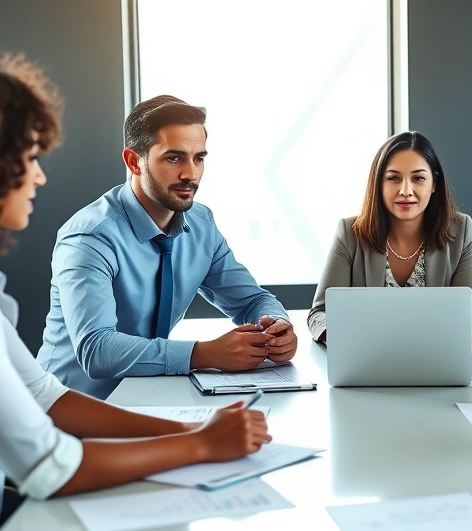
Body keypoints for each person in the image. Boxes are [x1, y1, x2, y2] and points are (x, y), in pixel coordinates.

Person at [0, 48, 271, 531]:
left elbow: (47, 398)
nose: (39, 176)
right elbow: (51, 467)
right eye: (26, 157)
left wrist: (195, 427)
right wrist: (201, 445)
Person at [38, 95, 296, 400]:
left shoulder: (200, 224)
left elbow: (250, 301)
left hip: (148, 398)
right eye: (174, 158)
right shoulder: (90, 237)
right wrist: (205, 353)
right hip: (67, 412)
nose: (191, 174)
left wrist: (278, 326)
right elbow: (97, 350)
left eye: (198, 158)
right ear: (134, 161)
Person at [307, 131, 472, 343]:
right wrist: (344, 341)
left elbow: (470, 319)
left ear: (434, 184)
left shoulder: (460, 231)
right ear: (379, 184)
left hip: (433, 362)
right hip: (366, 361)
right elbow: (319, 314)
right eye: (393, 178)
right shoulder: (350, 233)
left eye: (418, 178)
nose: (405, 191)